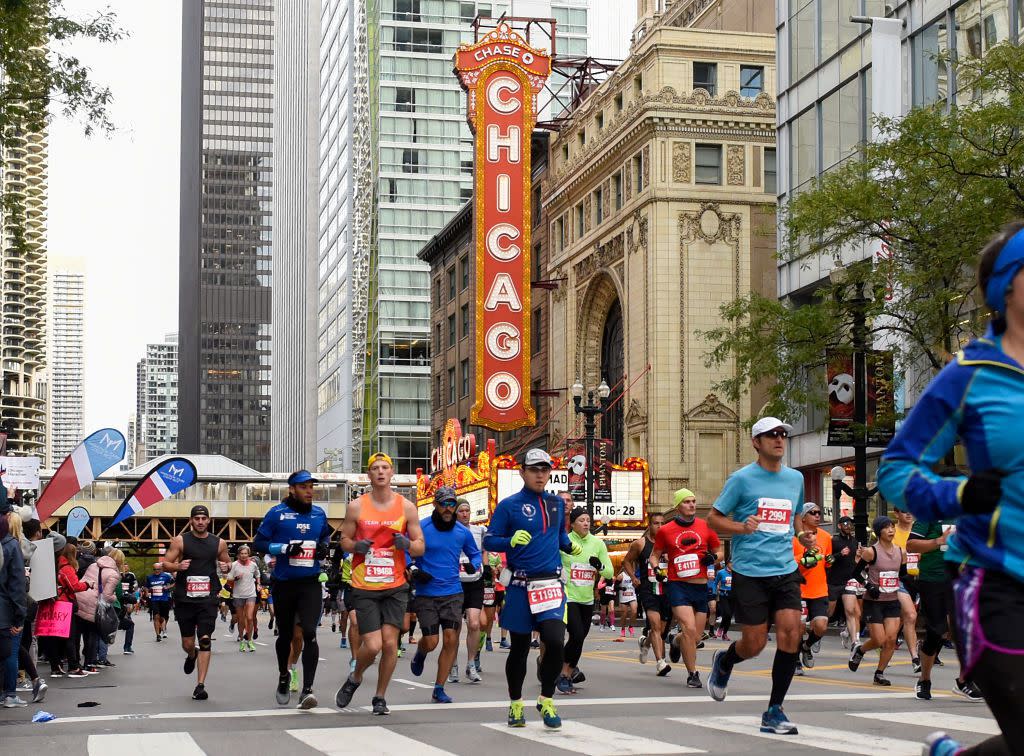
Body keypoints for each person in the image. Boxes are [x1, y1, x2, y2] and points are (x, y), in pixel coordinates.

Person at [706, 417, 804, 735]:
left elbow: (797, 517)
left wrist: (804, 536)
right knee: (755, 643)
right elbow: (713, 519)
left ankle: (774, 710)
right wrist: (740, 527)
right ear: (756, 442)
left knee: (792, 632)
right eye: (771, 435)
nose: (779, 439)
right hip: (749, 572)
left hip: (786, 569)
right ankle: (725, 661)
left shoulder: (796, 479)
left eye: (782, 434)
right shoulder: (741, 480)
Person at [483, 448, 579, 730]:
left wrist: (569, 544)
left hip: (550, 584)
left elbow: (558, 534)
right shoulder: (509, 505)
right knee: (520, 648)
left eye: (544, 469)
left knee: (555, 641)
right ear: (522, 472)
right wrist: (510, 540)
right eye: (534, 469)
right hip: (520, 585)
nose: (540, 474)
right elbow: (490, 540)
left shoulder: (556, 504)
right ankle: (515, 704)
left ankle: (546, 699)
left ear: (550, 473)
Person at [335, 452, 425, 715]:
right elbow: (344, 541)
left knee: (389, 645)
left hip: (395, 584)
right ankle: (355, 677)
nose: (381, 472)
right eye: (375, 468)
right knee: (372, 646)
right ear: (369, 475)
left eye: (385, 467)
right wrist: (356, 545)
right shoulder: (357, 506)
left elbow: (420, 547)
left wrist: (407, 544)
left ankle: (380, 696)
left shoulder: (406, 507)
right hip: (365, 584)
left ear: (392, 473)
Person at [253, 470, 331, 709]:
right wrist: (284, 549)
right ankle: (283, 676)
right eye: (304, 486)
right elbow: (259, 543)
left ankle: (307, 689)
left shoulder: (319, 514)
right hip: (284, 583)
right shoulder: (277, 514)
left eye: (311, 487)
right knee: (285, 635)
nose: (309, 491)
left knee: (309, 632)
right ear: (292, 489)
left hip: (310, 583)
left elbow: (326, 537)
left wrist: (322, 549)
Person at [408, 485, 481, 703]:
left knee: (451, 640)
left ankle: (439, 688)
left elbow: (475, 554)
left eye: (452, 504)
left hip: (452, 592)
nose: (448, 508)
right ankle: (421, 653)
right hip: (426, 593)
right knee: (431, 641)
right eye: (444, 504)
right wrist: (413, 569)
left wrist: (473, 565)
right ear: (435, 505)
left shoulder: (462, 531)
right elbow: (404, 550)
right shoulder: (422, 528)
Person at [651, 488, 722, 689]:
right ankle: (693, 674)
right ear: (677, 506)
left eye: (693, 501)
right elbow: (654, 555)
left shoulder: (705, 526)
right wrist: (657, 569)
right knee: (689, 629)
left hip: (700, 588)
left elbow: (720, 552)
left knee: (695, 637)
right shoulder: (666, 530)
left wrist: (713, 558)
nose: (692, 504)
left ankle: (675, 641)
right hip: (678, 586)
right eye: (686, 501)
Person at [907, 513, 982, 702]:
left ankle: (964, 681)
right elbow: (911, 545)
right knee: (936, 632)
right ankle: (924, 680)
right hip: (933, 579)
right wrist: (939, 541)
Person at [160, 504, 230, 700]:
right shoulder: (180, 541)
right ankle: (191, 655)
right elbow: (165, 563)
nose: (200, 522)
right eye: (196, 519)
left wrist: (226, 566)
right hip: (185, 598)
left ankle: (200, 685)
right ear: (191, 520)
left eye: (204, 519)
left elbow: (227, 565)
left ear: (209, 521)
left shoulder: (219, 543)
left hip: (208, 597)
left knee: (205, 639)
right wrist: (178, 566)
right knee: (188, 642)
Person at [558, 507, 612, 693]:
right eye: (581, 520)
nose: (586, 523)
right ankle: (564, 675)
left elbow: (610, 573)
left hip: (587, 599)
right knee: (577, 635)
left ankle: (565, 669)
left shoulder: (597, 544)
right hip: (568, 596)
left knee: (579, 639)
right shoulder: (565, 541)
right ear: (572, 523)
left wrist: (599, 565)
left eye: (588, 520)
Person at [847, 516, 905, 686]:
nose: (891, 530)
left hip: (892, 600)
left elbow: (902, 574)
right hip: (874, 601)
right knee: (879, 640)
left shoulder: (900, 551)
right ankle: (860, 650)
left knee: (891, 640)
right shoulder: (871, 552)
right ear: (879, 531)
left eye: (892, 527)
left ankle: (879, 673)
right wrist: (868, 585)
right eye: (887, 528)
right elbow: (856, 573)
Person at [622, 511, 672, 675]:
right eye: (656, 523)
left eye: (662, 523)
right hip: (648, 589)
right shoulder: (640, 544)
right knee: (655, 626)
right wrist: (633, 577)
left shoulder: (670, 544)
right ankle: (661, 663)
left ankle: (645, 644)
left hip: (666, 590)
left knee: (662, 629)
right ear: (649, 525)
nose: (660, 526)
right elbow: (627, 561)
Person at [791, 503, 832, 674]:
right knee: (798, 627)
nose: (817, 516)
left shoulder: (826, 537)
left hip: (819, 589)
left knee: (821, 626)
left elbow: (826, 561)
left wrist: (829, 561)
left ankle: (806, 646)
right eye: (813, 513)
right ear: (803, 518)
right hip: (799, 588)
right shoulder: (794, 539)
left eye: (819, 512)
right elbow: (789, 562)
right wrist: (803, 559)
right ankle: (795, 662)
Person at [453, 498, 486, 683]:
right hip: (455, 583)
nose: (465, 514)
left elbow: (484, 551)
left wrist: (485, 569)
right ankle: (453, 664)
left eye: (467, 510)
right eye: (461, 511)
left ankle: (471, 663)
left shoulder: (479, 530)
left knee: (474, 624)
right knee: (455, 627)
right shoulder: (450, 531)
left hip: (475, 581)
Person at [75, 543, 119, 676]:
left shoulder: (93, 565)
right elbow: (106, 596)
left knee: (78, 635)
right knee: (92, 636)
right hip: (92, 606)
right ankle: (89, 664)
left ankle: (75, 663)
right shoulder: (113, 574)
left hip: (79, 599)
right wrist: (114, 597)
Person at [0, 506, 28, 708]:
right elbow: (17, 585)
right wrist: (19, 617)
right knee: (9, 652)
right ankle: (9, 694)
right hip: (4, 611)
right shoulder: (11, 545)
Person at [891, 505, 921, 673]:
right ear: (896, 513)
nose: (909, 513)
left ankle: (886, 643)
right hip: (898, 578)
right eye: (904, 510)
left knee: (904, 619)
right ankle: (915, 658)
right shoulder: (891, 531)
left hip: (918, 579)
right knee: (910, 615)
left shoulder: (920, 528)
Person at [826, 515, 862, 649]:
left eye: (850, 524)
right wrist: (840, 554)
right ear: (839, 526)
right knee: (829, 613)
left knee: (851, 611)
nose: (848, 526)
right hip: (834, 582)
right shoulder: (833, 541)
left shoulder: (854, 541)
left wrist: (858, 557)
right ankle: (816, 636)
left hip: (849, 582)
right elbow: (827, 560)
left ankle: (855, 642)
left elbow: (855, 562)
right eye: (845, 523)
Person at [228, 545, 261, 653]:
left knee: (250, 617)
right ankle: (242, 639)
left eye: (245, 553)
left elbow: (257, 574)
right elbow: (229, 580)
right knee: (241, 619)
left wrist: (258, 584)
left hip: (251, 594)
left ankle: (249, 640)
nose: (243, 556)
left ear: (248, 554)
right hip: (238, 595)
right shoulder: (234, 565)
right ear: (238, 555)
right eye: (241, 554)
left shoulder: (253, 565)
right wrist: (236, 578)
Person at [144, 563, 173, 641]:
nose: (156, 571)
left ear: (161, 569)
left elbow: (174, 583)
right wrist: (147, 592)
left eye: (158, 569)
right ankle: (158, 635)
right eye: (155, 569)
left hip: (164, 599)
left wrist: (168, 587)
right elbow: (146, 586)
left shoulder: (166, 576)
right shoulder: (150, 577)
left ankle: (162, 626)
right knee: (156, 616)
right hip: (154, 600)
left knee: (162, 618)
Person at [118, 559, 139, 655]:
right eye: (124, 566)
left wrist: (133, 588)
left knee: (128, 611)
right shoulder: (118, 574)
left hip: (128, 596)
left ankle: (127, 647)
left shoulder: (131, 575)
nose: (125, 568)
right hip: (119, 596)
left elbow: (135, 584)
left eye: (126, 567)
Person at [713, 561, 733, 640]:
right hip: (723, 595)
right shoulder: (721, 572)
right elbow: (715, 582)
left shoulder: (736, 573)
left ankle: (725, 634)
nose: (733, 565)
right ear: (727, 563)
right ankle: (721, 627)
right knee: (727, 613)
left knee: (729, 616)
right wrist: (714, 592)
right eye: (731, 563)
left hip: (732, 596)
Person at [616, 570, 638, 640]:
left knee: (634, 611)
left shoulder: (634, 574)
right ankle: (623, 629)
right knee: (624, 614)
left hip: (632, 596)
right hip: (623, 596)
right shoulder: (621, 576)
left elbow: (638, 584)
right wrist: (621, 588)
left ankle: (630, 626)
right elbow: (615, 587)